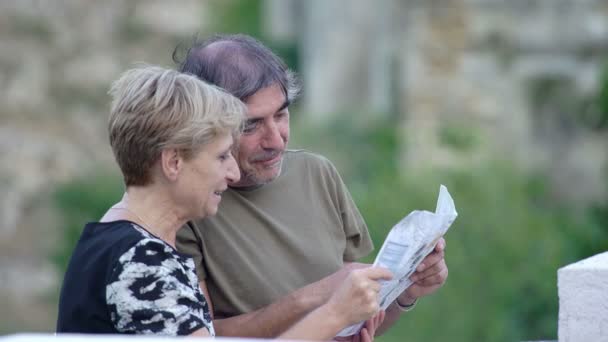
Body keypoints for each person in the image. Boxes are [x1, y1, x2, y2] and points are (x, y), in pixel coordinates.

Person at [56, 65, 393, 339]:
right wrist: (333, 315)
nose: (233, 173)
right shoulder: (142, 262)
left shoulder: (118, 244)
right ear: (173, 163)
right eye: (221, 157)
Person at [175, 34, 449, 339]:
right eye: (251, 125)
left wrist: (405, 292)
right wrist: (316, 296)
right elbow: (200, 335)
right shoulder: (185, 205)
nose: (276, 140)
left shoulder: (318, 173)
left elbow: (352, 326)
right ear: (205, 126)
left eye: (281, 114)